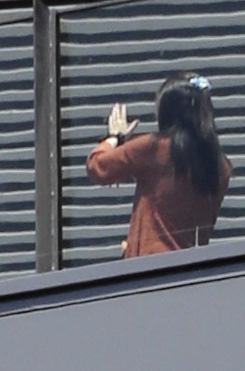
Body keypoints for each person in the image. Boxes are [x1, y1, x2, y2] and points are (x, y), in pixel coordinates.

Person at [87, 75, 232, 256]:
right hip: (191, 269)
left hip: (148, 268)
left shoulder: (153, 148)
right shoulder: (221, 166)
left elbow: (98, 166)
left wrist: (115, 138)